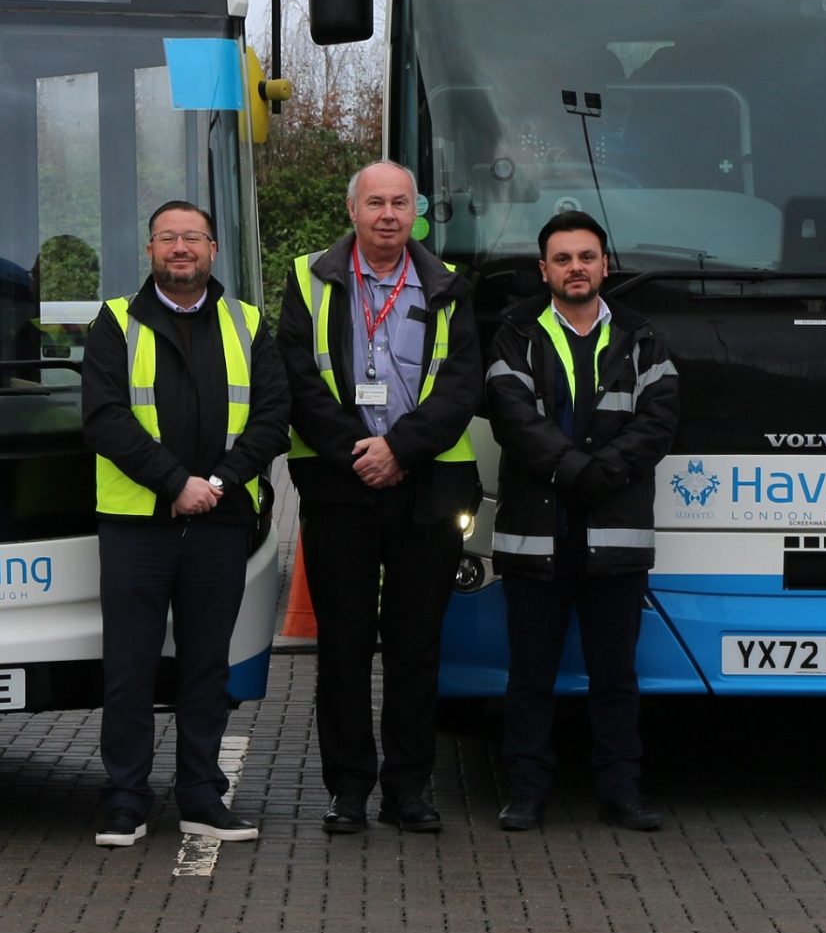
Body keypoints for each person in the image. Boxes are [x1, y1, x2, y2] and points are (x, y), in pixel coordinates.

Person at [276, 160, 485, 834]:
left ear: (415, 212)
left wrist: (401, 448)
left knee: (415, 644)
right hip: (340, 485)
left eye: (400, 203)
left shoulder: (448, 284)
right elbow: (298, 378)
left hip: (426, 485)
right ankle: (347, 790)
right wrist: (356, 451)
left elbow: (461, 384)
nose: (388, 214)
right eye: (375, 202)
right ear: (353, 210)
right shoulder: (309, 279)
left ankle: (408, 789)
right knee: (342, 643)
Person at [80, 199, 291, 848]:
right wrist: (175, 482)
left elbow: (273, 416)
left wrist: (218, 483)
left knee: (207, 667)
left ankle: (202, 797)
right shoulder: (115, 322)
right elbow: (104, 415)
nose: (180, 248)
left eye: (192, 237)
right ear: (149, 250)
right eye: (167, 237)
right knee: (130, 667)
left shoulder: (248, 322)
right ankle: (126, 800)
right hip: (136, 524)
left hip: (220, 522)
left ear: (213, 249)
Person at [484, 210, 680, 833]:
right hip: (536, 537)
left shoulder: (642, 337)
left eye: (586, 256)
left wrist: (595, 474)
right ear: (544, 270)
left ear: (605, 264)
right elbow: (513, 419)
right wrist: (581, 472)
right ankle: (526, 793)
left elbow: (659, 420)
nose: (576, 268)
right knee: (530, 676)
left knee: (616, 676)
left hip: (613, 539)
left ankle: (620, 792)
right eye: (563, 258)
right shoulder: (514, 334)